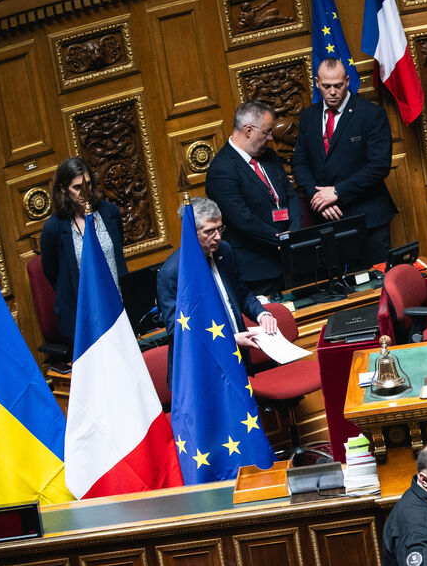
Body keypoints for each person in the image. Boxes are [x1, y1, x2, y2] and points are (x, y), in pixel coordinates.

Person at [156, 196, 278, 383]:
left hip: (237, 358)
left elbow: (240, 293)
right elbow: (178, 331)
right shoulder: (172, 273)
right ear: (191, 231)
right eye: (209, 231)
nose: (218, 237)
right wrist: (229, 340)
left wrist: (262, 314)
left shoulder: (224, 251)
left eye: (219, 229)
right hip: (202, 369)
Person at [291, 58, 397, 268]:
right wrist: (318, 199)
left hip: (369, 219)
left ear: (347, 81)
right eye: (326, 86)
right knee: (340, 282)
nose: (332, 92)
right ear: (317, 83)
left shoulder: (371, 114)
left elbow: (379, 166)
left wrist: (337, 192)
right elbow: (299, 164)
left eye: (338, 85)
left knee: (379, 280)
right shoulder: (308, 117)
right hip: (327, 221)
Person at [205, 101, 300, 297]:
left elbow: (290, 194)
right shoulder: (221, 169)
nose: (271, 137)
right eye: (267, 131)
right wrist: (282, 240)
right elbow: (243, 219)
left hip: (290, 258)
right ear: (248, 130)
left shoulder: (269, 156)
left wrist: (295, 232)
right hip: (257, 268)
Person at [37, 157, 128, 346]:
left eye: (88, 184)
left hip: (118, 307)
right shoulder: (54, 228)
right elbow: (52, 272)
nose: (84, 192)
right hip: (83, 316)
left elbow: (118, 250)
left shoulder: (109, 212)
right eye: (77, 187)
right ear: (63, 189)